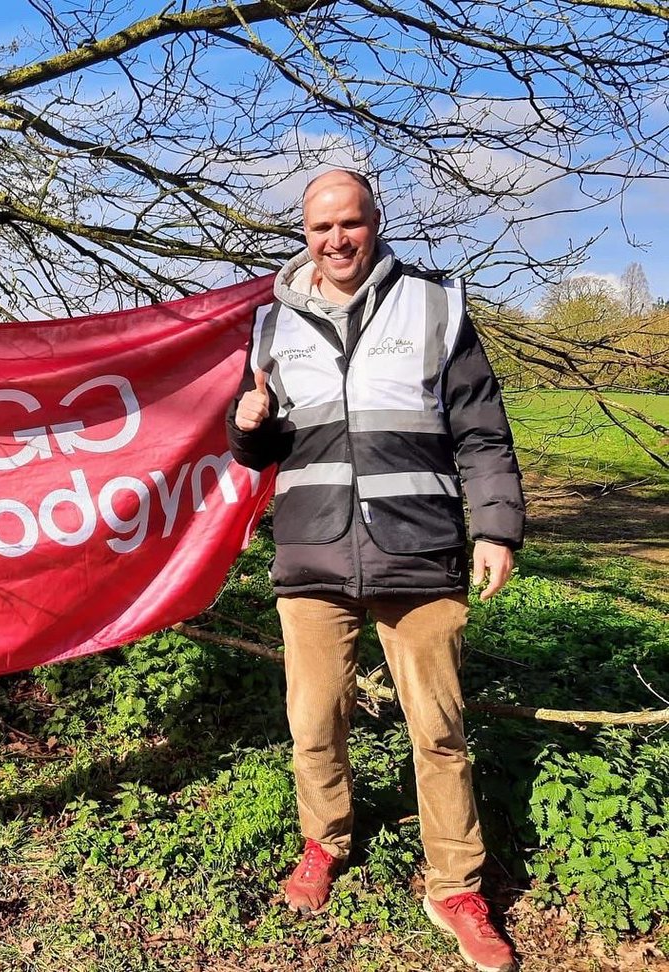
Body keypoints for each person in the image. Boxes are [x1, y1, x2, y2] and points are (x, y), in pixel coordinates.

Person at [226, 169, 524, 972]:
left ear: (375, 221)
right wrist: (245, 426)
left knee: (440, 730)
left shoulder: (434, 306)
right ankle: (324, 842)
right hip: (313, 554)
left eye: (350, 223)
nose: (336, 240)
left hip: (419, 553)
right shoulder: (270, 324)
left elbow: (483, 434)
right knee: (314, 722)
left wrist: (497, 528)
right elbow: (264, 445)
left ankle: (455, 888)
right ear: (304, 234)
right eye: (320, 227)